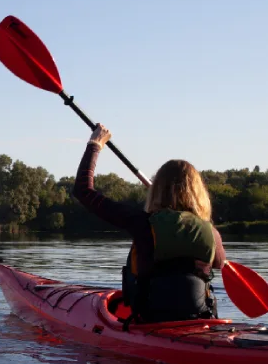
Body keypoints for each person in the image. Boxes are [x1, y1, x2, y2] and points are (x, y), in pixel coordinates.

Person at [74, 124, 226, 323]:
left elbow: (83, 191)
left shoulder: (141, 222)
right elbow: (219, 263)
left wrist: (95, 144)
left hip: (151, 320)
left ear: (157, 190)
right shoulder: (211, 233)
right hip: (200, 319)